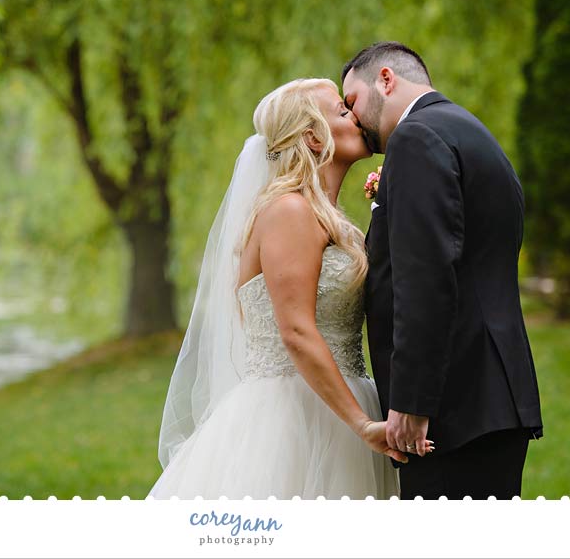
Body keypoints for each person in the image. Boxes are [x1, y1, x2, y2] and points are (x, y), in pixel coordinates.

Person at [148, 78, 433, 500]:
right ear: (314, 138)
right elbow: (295, 331)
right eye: (342, 111)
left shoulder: (328, 218)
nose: (357, 117)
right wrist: (360, 423)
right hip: (295, 415)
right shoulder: (290, 210)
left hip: (338, 398)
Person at [341, 41, 544, 500]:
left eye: (352, 101)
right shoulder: (467, 131)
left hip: (450, 412)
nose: (352, 118)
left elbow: (425, 279)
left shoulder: (416, 138)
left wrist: (412, 401)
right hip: (489, 399)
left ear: (386, 79)